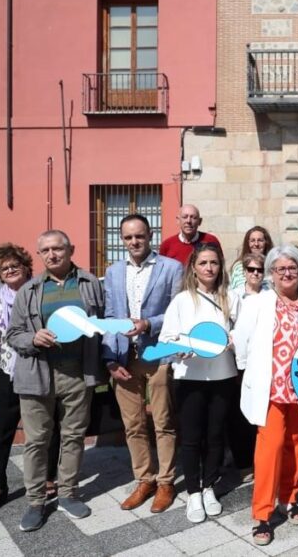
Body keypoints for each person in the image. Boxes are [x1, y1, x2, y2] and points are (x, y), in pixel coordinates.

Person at [6, 230, 104, 533]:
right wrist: (33, 338)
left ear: (70, 250)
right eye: (45, 250)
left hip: (77, 372)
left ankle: (67, 493)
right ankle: (36, 501)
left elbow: (103, 323)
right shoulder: (30, 290)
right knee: (37, 440)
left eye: (58, 248)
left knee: (73, 436)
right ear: (40, 255)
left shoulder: (89, 284)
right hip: (37, 373)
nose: (52, 255)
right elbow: (13, 334)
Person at [233, 245, 298, 546]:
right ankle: (262, 513)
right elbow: (241, 340)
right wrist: (248, 372)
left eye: (292, 267)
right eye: (280, 268)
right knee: (269, 449)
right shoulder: (258, 302)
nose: (287, 272)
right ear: (271, 273)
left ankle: (290, 497)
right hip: (270, 388)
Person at [101, 214, 185, 514]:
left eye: (139, 236)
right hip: (124, 357)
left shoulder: (171, 268)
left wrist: (149, 323)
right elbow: (110, 316)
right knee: (133, 424)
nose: (134, 242)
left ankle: (165, 482)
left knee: (163, 422)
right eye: (128, 237)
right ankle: (144, 479)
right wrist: (110, 357)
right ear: (122, 240)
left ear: (150, 236)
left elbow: (178, 312)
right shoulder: (113, 272)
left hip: (158, 354)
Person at [0, 243, 58, 515]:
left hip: (43, 371)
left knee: (47, 428)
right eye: (3, 268)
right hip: (10, 374)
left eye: (14, 265)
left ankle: (48, 478)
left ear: (25, 267)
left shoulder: (43, 293)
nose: (9, 270)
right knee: (0, 432)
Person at [160, 242, 239, 524]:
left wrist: (234, 341)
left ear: (220, 267)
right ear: (193, 268)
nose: (209, 268)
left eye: (214, 263)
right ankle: (193, 492)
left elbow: (242, 333)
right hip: (190, 377)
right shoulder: (181, 301)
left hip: (222, 376)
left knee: (216, 435)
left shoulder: (231, 297)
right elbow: (167, 338)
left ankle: (209, 487)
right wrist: (179, 347)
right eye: (203, 263)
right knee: (192, 438)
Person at [229, 226, 273, 290]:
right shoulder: (239, 267)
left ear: (266, 243)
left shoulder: (273, 265)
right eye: (252, 241)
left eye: (260, 240)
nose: (256, 244)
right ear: (248, 243)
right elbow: (240, 290)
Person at [229, 252, 265, 324]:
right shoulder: (233, 295)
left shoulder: (270, 295)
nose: (255, 273)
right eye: (251, 269)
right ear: (244, 272)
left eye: (260, 270)